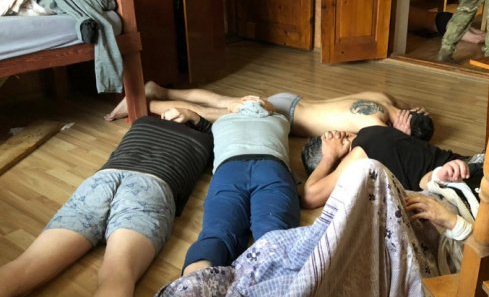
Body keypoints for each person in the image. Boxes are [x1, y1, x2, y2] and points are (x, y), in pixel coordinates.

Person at [0, 107, 224, 297]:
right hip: (152, 185)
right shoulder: (208, 138)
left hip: (101, 181)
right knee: (118, 272)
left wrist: (187, 113)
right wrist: (198, 118)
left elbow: (152, 99)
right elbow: (224, 132)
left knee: (25, 264)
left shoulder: (144, 123)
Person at [182, 99, 300, 275]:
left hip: (233, 170)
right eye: (243, 99)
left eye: (257, 99)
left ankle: (191, 286)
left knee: (218, 235)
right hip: (269, 168)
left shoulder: (222, 122)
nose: (250, 100)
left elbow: (202, 116)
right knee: (274, 233)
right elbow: (198, 114)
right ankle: (193, 285)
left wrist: (229, 108)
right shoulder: (279, 120)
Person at [105, 82, 435, 141]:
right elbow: (384, 150)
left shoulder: (383, 98)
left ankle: (159, 90)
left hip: (288, 100)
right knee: (207, 115)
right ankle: (144, 104)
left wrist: (407, 113)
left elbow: (402, 111)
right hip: (280, 117)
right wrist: (403, 137)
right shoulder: (376, 124)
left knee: (221, 101)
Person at [300, 126, 463, 209]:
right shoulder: (369, 132)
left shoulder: (359, 153)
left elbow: (309, 198)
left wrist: (329, 157)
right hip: (463, 167)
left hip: (460, 188)